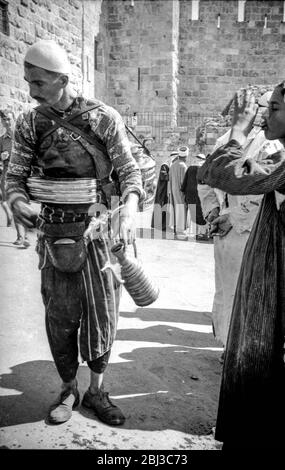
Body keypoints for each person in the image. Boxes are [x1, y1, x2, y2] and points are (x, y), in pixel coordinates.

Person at [6, 40, 144, 426]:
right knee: (61, 316)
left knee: (102, 315)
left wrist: (129, 209)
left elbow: (130, 173)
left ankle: (98, 389)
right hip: (55, 233)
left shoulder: (103, 118)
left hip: (101, 230)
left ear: (62, 79)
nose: (32, 91)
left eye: (39, 83)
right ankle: (69, 389)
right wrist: (18, 202)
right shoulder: (29, 122)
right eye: (28, 82)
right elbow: (14, 176)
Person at [197, 85, 285, 448]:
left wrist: (239, 130)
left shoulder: (272, 150)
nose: (264, 114)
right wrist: (218, 214)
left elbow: (225, 172)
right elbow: (213, 180)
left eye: (274, 108)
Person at [0, 109, 30, 247]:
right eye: (4, 120)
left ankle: (24, 236)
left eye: (8, 119)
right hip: (7, 176)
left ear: (14, 120)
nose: (6, 122)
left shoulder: (23, 137)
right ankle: (21, 237)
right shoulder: (1, 140)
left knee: (21, 204)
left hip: (23, 175)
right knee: (14, 204)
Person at [181, 153, 208, 241]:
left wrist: (183, 190)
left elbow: (185, 181)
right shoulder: (205, 168)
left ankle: (197, 233)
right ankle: (203, 233)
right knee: (202, 213)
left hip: (190, 194)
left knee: (194, 213)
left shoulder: (190, 168)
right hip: (201, 193)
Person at [151, 150, 178, 232]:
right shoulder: (165, 165)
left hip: (167, 190)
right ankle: (159, 225)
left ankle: (164, 225)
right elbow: (164, 177)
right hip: (163, 190)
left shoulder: (171, 166)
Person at [168, 146, 188, 239]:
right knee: (181, 209)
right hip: (180, 191)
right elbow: (184, 182)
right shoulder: (183, 166)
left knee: (175, 209)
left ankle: (176, 228)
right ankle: (180, 230)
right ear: (186, 156)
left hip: (173, 190)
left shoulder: (173, 165)